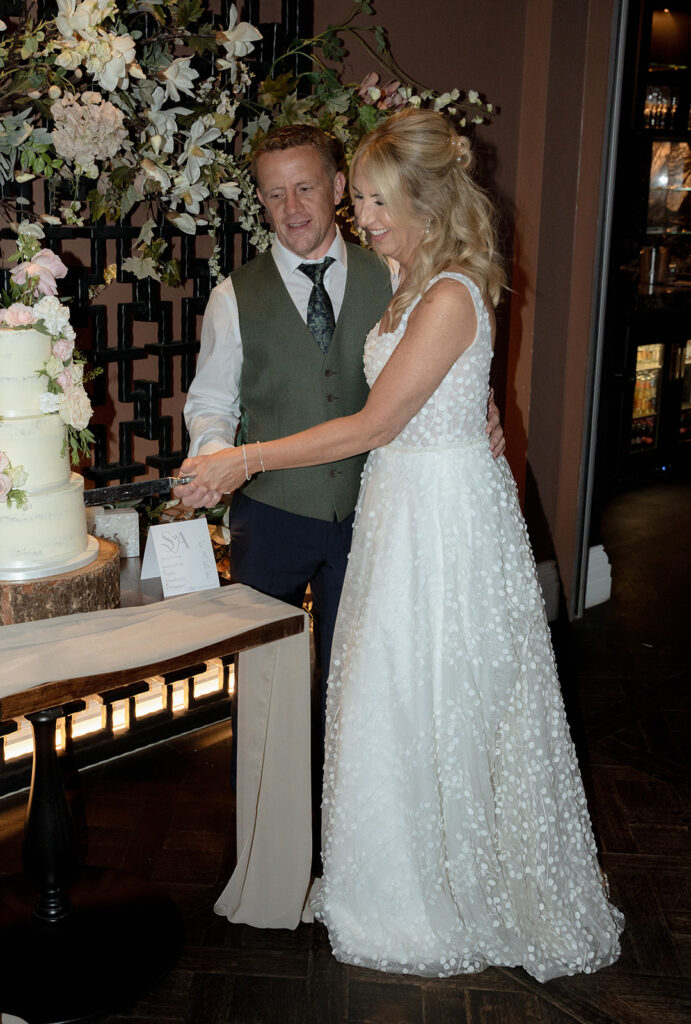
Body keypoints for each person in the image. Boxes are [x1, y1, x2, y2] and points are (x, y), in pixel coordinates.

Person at [180, 109, 623, 981]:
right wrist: (483, 408)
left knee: (435, 697)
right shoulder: (404, 271)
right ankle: (375, 870)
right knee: (384, 699)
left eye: (373, 201)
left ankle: (436, 889)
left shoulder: (450, 290)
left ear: (419, 197)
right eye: (365, 203)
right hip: (397, 510)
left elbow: (379, 418)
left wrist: (247, 459)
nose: (360, 219)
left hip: (436, 526)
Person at [177, 124, 503, 726]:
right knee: (262, 692)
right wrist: (218, 456)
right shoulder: (232, 296)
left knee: (360, 690)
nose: (292, 208)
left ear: (335, 186)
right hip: (272, 515)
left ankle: (338, 815)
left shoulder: (401, 271)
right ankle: (262, 817)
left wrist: (479, 407)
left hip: (374, 515)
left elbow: (444, 358)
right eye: (275, 194)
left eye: (305, 187)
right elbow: (211, 402)